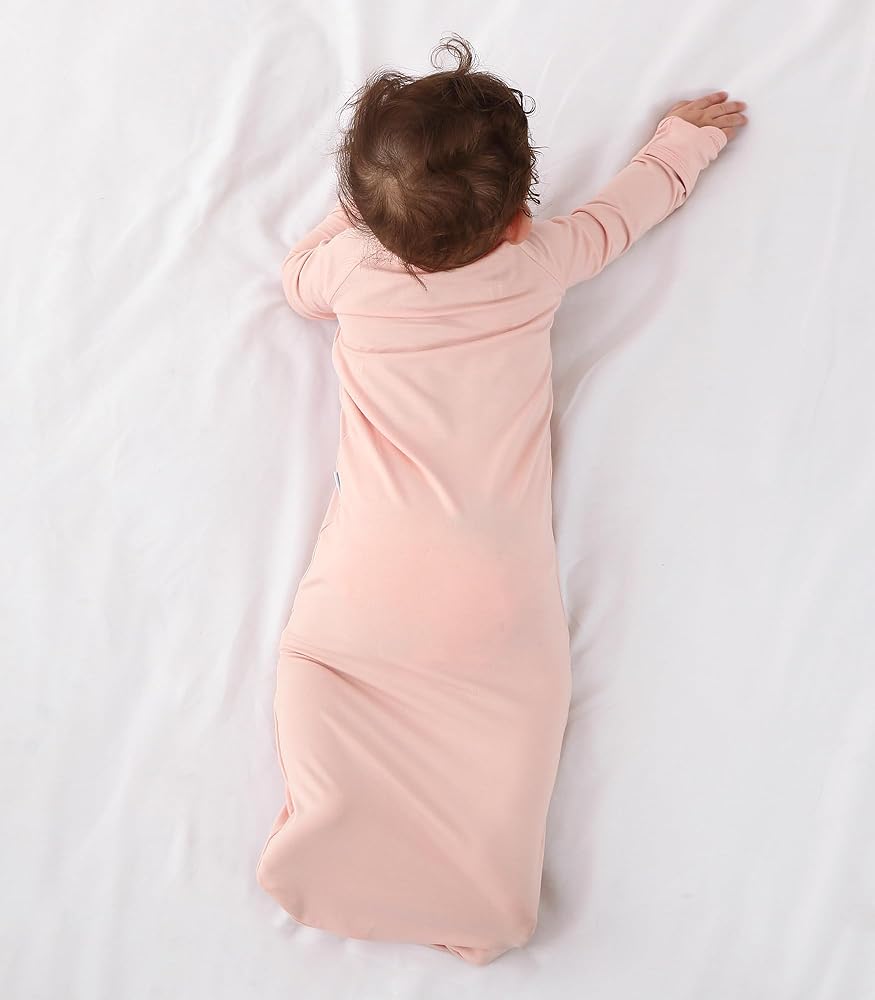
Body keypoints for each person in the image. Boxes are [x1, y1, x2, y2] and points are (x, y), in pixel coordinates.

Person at [256, 33, 747, 965]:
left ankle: (333, 823)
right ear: (518, 221)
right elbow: (625, 211)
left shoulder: (351, 270)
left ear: (365, 211)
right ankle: (482, 892)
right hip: (497, 594)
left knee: (322, 675)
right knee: (504, 737)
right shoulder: (540, 260)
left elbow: (294, 283)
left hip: (367, 583)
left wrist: (350, 219)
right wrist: (684, 142)